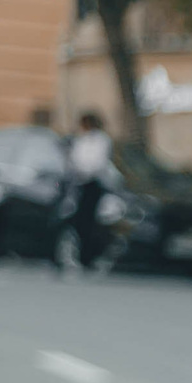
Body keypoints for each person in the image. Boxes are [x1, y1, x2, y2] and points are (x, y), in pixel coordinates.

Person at [65, 111, 114, 270]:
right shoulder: (81, 140)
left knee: (90, 221)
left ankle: (89, 256)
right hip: (79, 183)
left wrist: (84, 171)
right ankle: (81, 255)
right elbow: (75, 159)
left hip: (93, 183)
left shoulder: (100, 140)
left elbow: (98, 163)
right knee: (79, 221)